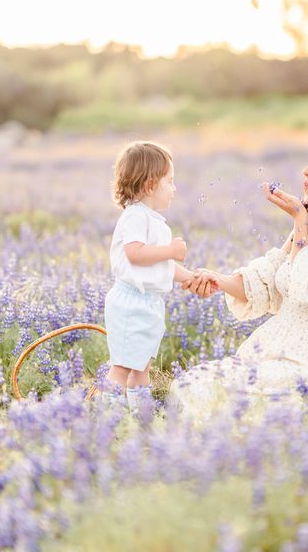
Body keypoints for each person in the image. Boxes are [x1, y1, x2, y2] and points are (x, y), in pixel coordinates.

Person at [168, 137, 308, 420]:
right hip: (268, 351)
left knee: (240, 407)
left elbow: (304, 286)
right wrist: (216, 279)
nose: (306, 171)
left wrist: (299, 221)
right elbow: (266, 284)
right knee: (189, 386)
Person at [101, 141, 206, 413]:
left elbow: (160, 265)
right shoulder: (135, 216)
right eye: (170, 181)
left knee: (141, 365)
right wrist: (171, 250)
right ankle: (104, 419)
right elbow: (136, 254)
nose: (175, 188)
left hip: (148, 304)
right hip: (131, 303)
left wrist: (187, 278)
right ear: (150, 186)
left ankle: (142, 416)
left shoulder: (154, 220)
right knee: (123, 365)